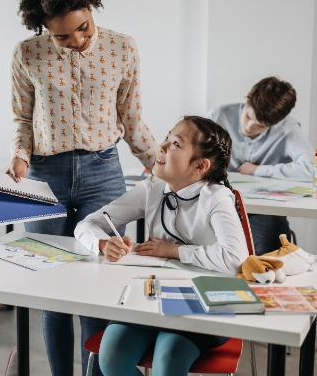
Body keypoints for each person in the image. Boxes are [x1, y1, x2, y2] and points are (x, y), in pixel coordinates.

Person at [5, 0, 158, 376]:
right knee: (53, 289)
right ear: (43, 27)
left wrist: (162, 168)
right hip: (43, 176)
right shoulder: (27, 54)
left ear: (92, 7)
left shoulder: (123, 48)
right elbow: (22, 118)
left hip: (103, 171)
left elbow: (132, 119)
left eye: (84, 28)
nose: (77, 41)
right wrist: (20, 154)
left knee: (97, 283)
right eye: (62, 35)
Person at [75, 116, 249, 376]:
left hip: (203, 304)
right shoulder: (152, 188)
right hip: (151, 298)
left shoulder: (217, 198)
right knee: (111, 358)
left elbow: (235, 259)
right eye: (167, 138)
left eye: (176, 144)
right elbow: (87, 224)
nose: (162, 147)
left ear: (200, 165)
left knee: (167, 363)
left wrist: (174, 251)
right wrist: (102, 244)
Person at [206, 76, 314, 255]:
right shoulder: (218, 116)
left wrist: (257, 170)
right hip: (216, 203)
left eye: (260, 126)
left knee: (267, 249)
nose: (248, 127)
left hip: (262, 211)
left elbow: (312, 169)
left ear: (280, 120)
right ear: (247, 97)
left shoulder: (288, 129)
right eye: (248, 116)